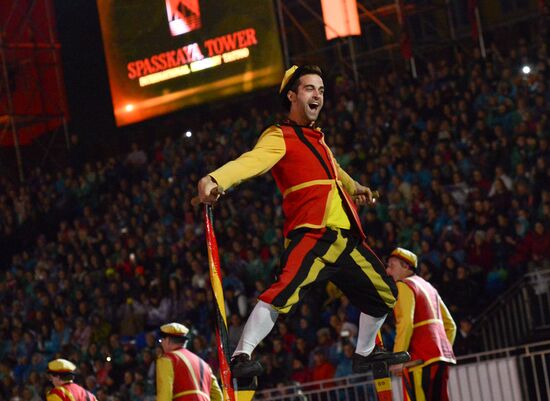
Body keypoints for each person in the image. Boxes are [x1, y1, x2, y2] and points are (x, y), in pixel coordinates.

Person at [197, 64, 409, 378]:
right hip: (314, 231)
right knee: (283, 292)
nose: (318, 96)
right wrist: (215, 179)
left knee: (384, 294)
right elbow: (250, 163)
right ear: (292, 96)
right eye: (310, 89)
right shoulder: (278, 135)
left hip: (345, 235)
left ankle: (365, 354)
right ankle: (241, 355)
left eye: (322, 90)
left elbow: (333, 169)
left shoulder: (317, 138)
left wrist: (355, 187)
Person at [385, 248, 457, 401]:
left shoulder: (403, 285)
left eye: (391, 265)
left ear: (405, 266)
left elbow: (405, 322)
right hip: (441, 359)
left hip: (420, 359)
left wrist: (398, 358)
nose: (388, 271)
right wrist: (440, 351)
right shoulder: (429, 287)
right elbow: (450, 325)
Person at [156, 322, 222, 401]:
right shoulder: (204, 364)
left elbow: (165, 393)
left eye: (161, 341)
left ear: (167, 340)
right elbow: (218, 396)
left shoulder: (167, 360)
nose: (161, 344)